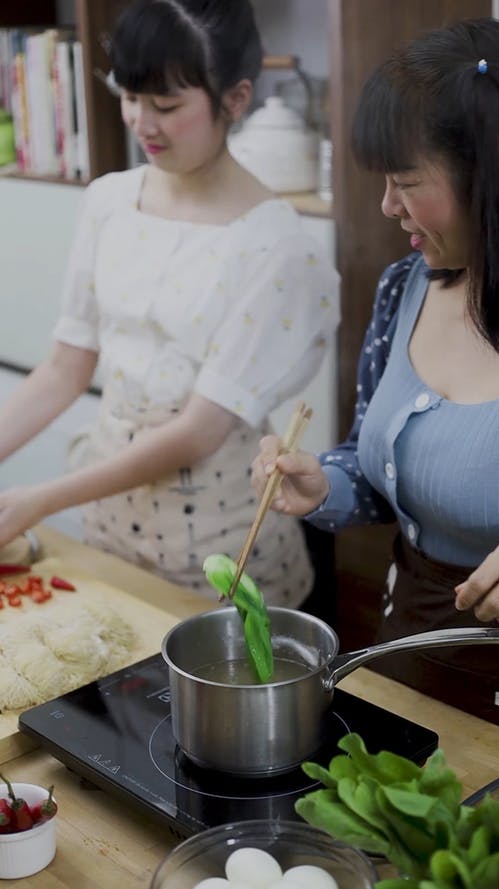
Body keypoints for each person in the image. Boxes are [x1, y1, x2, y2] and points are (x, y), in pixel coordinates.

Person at [0, 0, 339, 605]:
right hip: (107, 524)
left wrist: (41, 498)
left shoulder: (278, 248)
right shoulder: (109, 201)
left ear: (235, 99)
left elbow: (197, 432)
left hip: (219, 548)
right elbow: (63, 370)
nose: (141, 122)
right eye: (130, 97)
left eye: (167, 106)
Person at [252, 17, 499, 723]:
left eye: (406, 182)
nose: (389, 207)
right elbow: (379, 469)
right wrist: (322, 481)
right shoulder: (405, 287)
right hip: (408, 651)